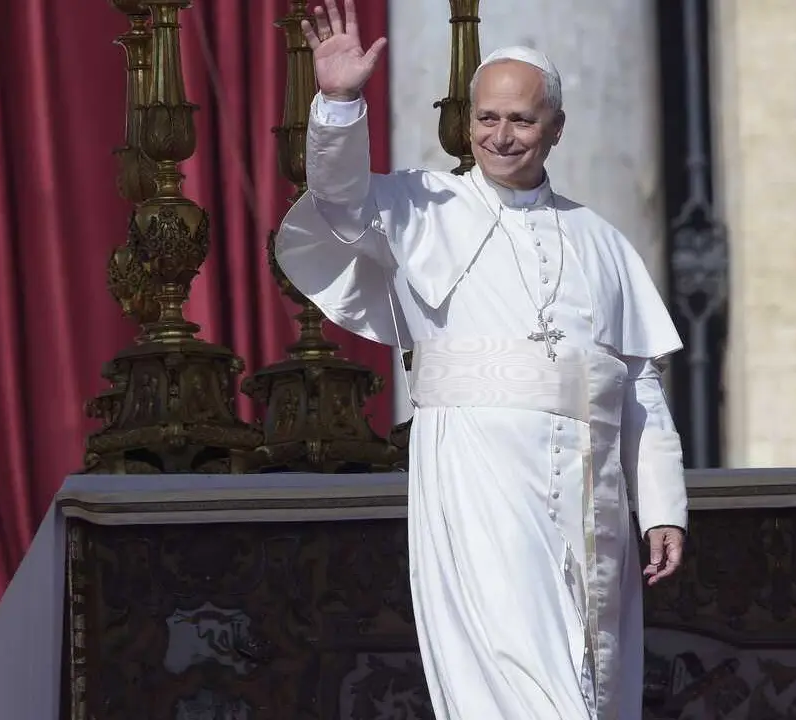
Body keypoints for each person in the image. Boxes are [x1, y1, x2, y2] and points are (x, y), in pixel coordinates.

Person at [276, 1, 688, 717]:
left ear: (554, 129)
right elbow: (339, 203)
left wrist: (663, 506)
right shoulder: (420, 204)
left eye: (521, 121)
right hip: (479, 474)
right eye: (487, 119)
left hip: (592, 493)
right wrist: (339, 103)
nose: (501, 137)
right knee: (513, 673)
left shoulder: (601, 240)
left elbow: (639, 383)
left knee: (593, 679)